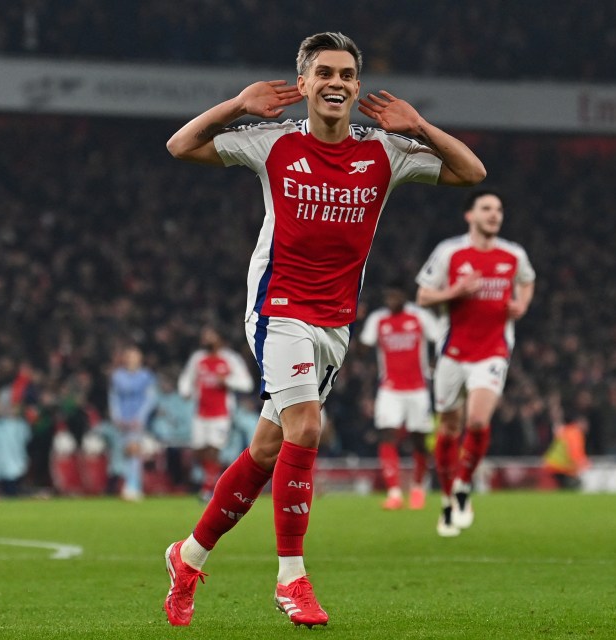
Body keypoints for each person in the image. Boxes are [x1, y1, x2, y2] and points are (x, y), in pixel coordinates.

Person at [162, 31, 485, 628]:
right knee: (307, 427)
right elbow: (181, 145)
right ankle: (292, 579)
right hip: (277, 306)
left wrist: (420, 127)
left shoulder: (384, 151)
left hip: (334, 321)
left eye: (346, 75)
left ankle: (188, 555)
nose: (336, 83)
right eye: (324, 73)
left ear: (356, 87)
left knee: (267, 447)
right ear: (304, 84)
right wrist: (237, 105)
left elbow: (472, 171)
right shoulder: (274, 142)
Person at [415, 190, 535, 537]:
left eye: (498, 209)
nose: (494, 214)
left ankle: (465, 485)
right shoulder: (450, 252)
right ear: (470, 215)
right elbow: (423, 294)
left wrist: (521, 305)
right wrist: (454, 292)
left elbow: (527, 281)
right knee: (449, 429)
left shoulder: (513, 254)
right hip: (453, 352)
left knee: (478, 421)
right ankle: (448, 497)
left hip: (494, 349)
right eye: (486, 208)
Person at [359, 283, 443, 511]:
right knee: (386, 435)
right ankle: (394, 493)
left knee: (418, 439)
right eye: (388, 296)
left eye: (395, 294)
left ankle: (417, 488)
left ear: (405, 296)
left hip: (418, 388)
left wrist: (436, 363)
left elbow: (440, 340)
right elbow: (362, 349)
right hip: (389, 389)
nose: (391, 299)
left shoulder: (420, 317)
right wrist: (356, 321)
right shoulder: (378, 320)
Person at [178, 326, 254, 501]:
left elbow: (246, 383)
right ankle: (213, 483)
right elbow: (187, 378)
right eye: (204, 336)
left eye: (210, 335)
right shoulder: (198, 358)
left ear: (219, 338)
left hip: (222, 413)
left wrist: (227, 381)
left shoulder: (231, 359)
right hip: (200, 412)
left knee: (214, 450)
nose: (206, 339)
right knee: (199, 451)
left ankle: (208, 489)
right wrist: (185, 390)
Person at [108, 345, 157, 501]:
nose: (131, 360)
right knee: (123, 453)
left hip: (137, 421)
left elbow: (150, 399)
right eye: (128, 356)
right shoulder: (117, 376)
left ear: (140, 359)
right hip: (122, 420)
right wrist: (116, 417)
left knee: (134, 450)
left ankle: (133, 486)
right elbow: (113, 398)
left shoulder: (146, 376)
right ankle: (128, 484)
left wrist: (140, 418)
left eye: (134, 356)